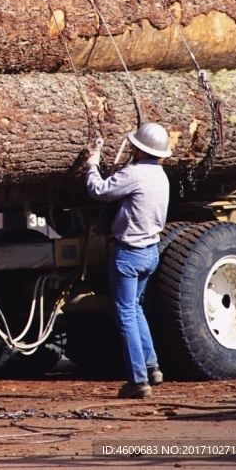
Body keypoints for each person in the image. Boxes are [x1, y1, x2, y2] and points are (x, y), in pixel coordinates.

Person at [85, 123, 171, 399]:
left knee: (124, 314)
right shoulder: (160, 176)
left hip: (129, 254)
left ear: (138, 149)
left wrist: (92, 163)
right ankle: (152, 365)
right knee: (134, 308)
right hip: (150, 253)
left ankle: (138, 380)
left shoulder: (134, 173)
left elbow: (98, 191)